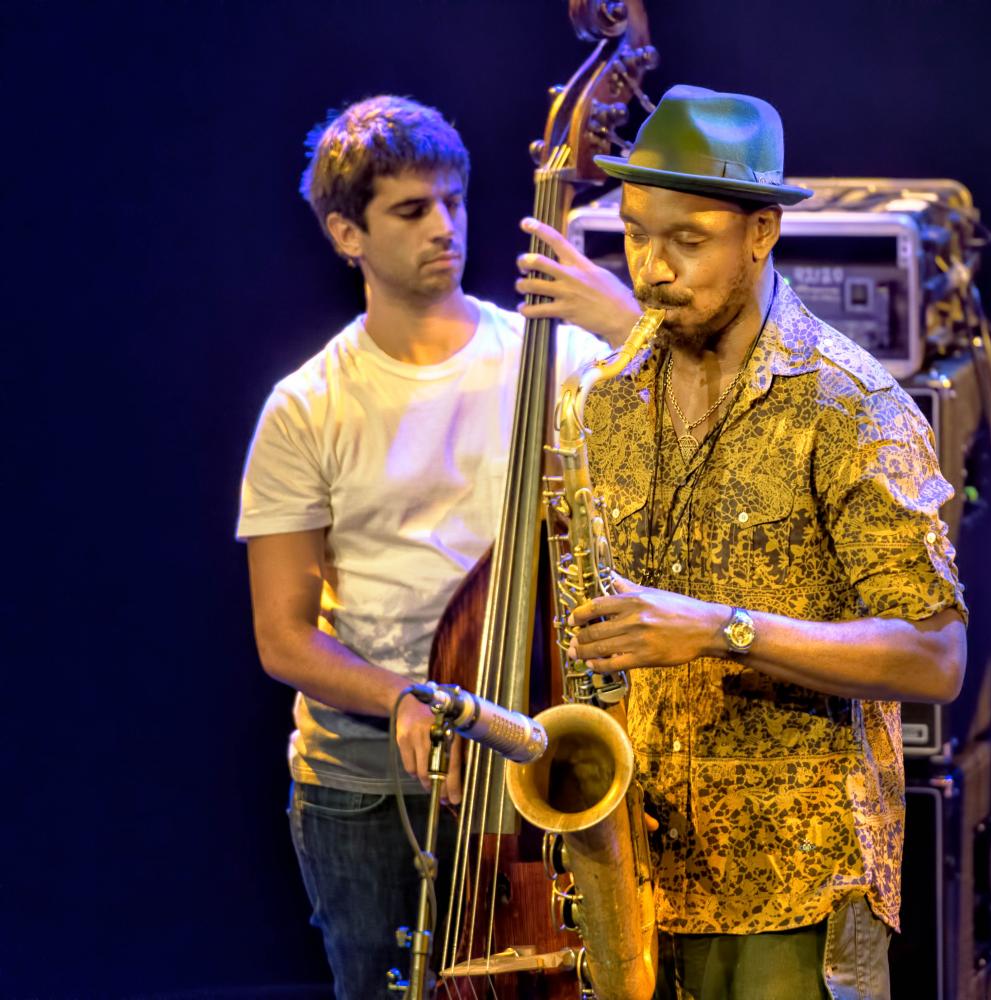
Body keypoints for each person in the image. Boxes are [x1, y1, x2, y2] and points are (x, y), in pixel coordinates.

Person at [564, 85, 969, 1000]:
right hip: (642, 873)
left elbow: (937, 657)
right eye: (635, 234)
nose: (652, 270)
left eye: (687, 241)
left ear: (761, 233)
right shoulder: (603, 398)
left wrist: (720, 628)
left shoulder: (852, 405)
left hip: (797, 884)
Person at [236, 94, 638, 998]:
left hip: (531, 754)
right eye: (411, 210)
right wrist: (405, 699)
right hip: (371, 787)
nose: (444, 227)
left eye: (453, 202)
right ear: (348, 233)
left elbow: (695, 432)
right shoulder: (306, 406)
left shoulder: (557, 358)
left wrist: (624, 325)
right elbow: (284, 636)